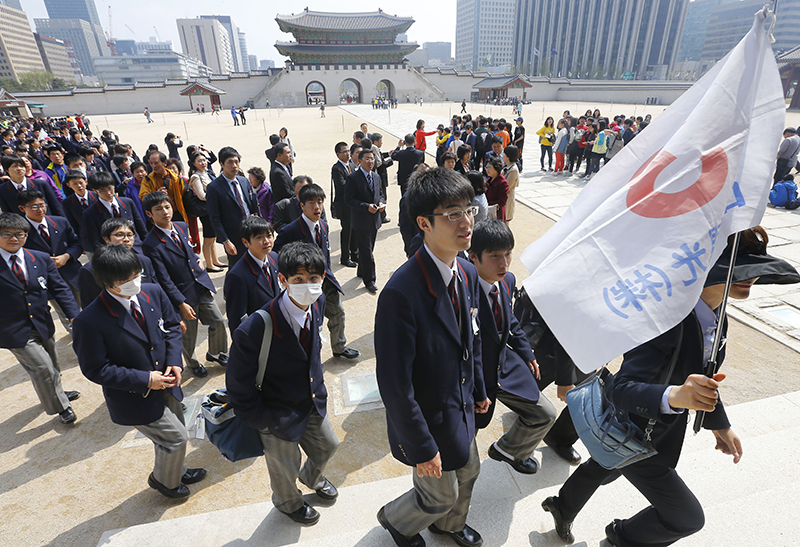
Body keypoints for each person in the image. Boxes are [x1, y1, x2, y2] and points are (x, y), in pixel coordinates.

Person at [543, 227, 799, 547]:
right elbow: (621, 388)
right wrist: (673, 395)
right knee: (686, 518)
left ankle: (561, 505)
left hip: (653, 432)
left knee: (605, 465)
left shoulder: (718, 317)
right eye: (740, 267)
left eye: (753, 268)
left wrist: (720, 426)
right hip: (642, 437)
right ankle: (622, 536)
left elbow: (703, 378)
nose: (750, 277)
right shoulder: (665, 319)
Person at [375, 168, 488, 547]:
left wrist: (480, 389)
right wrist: (422, 448)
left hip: (461, 407)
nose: (467, 222)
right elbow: (394, 384)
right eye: (452, 213)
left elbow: (471, 341)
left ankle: (449, 527)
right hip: (428, 419)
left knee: (470, 471)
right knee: (439, 495)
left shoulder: (468, 272)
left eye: (468, 210)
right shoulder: (401, 293)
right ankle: (396, 520)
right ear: (423, 222)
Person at [73, 244, 207, 499]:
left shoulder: (152, 292)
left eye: (136, 275)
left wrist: (174, 361)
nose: (133, 283)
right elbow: (95, 368)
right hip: (134, 395)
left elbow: (170, 328)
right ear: (105, 282)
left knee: (173, 433)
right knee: (176, 439)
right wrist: (146, 379)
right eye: (124, 281)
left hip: (169, 381)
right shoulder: (89, 321)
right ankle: (165, 482)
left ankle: (177, 469)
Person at [227, 241, 340, 525]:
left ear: (323, 278)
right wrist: (263, 421)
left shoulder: (318, 303)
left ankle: (312, 477)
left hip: (311, 400)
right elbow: (238, 386)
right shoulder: (254, 328)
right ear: (282, 280)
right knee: (283, 466)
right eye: (298, 280)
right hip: (274, 411)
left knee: (329, 444)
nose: (307, 286)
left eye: (314, 279)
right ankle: (287, 502)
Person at [469, 219, 556, 475]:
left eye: (508, 254)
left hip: (504, 366)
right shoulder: (462, 290)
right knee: (465, 446)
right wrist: (476, 388)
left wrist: (527, 352)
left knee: (545, 414)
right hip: (474, 378)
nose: (504, 263)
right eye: (495, 256)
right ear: (473, 256)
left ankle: (509, 450)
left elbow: (512, 320)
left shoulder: (507, 281)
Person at [0, 212, 80, 425]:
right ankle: (61, 407)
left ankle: (57, 391)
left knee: (52, 363)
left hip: (42, 322)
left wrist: (74, 315)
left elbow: (60, 288)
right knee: (42, 367)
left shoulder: (40, 258)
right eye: (6, 234)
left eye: (20, 234)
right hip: (12, 329)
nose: (13, 238)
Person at [142, 192, 228, 378]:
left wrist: (198, 260)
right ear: (149, 214)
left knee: (219, 321)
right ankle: (192, 363)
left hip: (200, 285)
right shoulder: (151, 243)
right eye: (158, 209)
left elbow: (190, 252)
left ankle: (215, 353)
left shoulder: (181, 226)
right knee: (189, 335)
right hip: (181, 294)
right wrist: (180, 303)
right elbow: (163, 279)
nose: (165, 212)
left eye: (167, 206)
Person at [274, 183, 359, 359]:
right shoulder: (291, 230)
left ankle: (339, 347)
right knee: (311, 321)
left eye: (320, 202)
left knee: (338, 312)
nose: (317, 207)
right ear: (302, 206)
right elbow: (276, 254)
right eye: (311, 202)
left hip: (324, 279)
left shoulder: (323, 226)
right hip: (304, 284)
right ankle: (308, 357)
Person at [19, 190, 83, 327]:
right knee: (66, 313)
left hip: (72, 272)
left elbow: (76, 244)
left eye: (42, 205)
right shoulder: (20, 231)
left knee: (85, 305)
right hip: (47, 279)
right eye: (34, 207)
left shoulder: (60, 222)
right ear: (22, 208)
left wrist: (66, 256)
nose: (40, 210)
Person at [78, 218, 158, 309]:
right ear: (106, 239)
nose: (126, 239)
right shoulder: (90, 270)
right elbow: (90, 305)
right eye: (120, 235)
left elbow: (155, 290)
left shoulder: (144, 261)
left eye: (130, 235)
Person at [223, 216, 280, 334]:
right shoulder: (237, 275)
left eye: (269, 235)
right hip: (260, 335)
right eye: (259, 237)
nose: (266, 241)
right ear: (245, 242)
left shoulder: (274, 257)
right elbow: (236, 319)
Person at [206, 146, 258, 267]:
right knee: (238, 267)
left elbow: (250, 204)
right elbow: (215, 218)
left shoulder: (243, 181)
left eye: (236, 162)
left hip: (251, 232)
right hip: (233, 237)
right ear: (221, 164)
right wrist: (226, 241)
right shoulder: (214, 188)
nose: (234, 165)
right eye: (230, 162)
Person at [345, 148, 384, 293]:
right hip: (361, 221)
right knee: (368, 253)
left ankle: (362, 271)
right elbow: (348, 199)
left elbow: (380, 194)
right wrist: (366, 207)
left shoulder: (376, 177)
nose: (370, 161)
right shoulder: (353, 178)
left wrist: (380, 203)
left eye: (372, 159)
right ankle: (370, 280)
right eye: (367, 159)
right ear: (360, 161)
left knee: (368, 249)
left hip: (374, 220)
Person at [84, 172, 147, 251]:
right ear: (95, 191)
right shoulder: (90, 213)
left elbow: (140, 228)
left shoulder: (128, 202)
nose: (108, 193)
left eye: (110, 188)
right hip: (113, 253)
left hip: (136, 248)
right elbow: (95, 241)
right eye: (103, 190)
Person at [188, 153, 225, 272]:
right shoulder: (195, 177)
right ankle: (209, 264)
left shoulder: (206, 173)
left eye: (204, 160)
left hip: (212, 208)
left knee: (212, 237)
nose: (203, 163)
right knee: (208, 238)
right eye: (199, 161)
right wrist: (216, 195)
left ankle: (215, 260)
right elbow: (201, 195)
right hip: (206, 210)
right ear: (194, 163)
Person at [140, 151, 187, 224]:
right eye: (151, 163)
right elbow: (143, 196)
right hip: (159, 215)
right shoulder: (148, 180)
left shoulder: (176, 178)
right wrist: (156, 194)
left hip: (177, 213)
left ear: (164, 163)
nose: (153, 166)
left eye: (156, 163)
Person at [331, 142, 357, 267]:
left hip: (354, 204)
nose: (348, 154)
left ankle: (354, 253)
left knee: (354, 229)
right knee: (346, 230)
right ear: (338, 154)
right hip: (344, 205)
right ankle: (345, 257)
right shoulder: (337, 168)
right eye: (344, 152)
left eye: (348, 151)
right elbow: (341, 187)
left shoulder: (351, 164)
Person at [61, 169, 97, 253]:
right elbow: (73, 224)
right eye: (75, 184)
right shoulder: (67, 203)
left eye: (81, 182)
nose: (79, 186)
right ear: (68, 185)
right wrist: (80, 243)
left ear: (86, 181)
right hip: (87, 240)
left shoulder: (97, 196)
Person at [484, 156, 509, 222]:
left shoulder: (503, 183)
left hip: (497, 214)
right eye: (486, 167)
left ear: (496, 167)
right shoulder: (488, 181)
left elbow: (502, 201)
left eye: (489, 167)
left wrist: (486, 204)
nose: (487, 170)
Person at [502, 146, 520, 222]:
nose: (503, 155)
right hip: (503, 198)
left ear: (508, 156)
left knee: (505, 221)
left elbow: (507, 187)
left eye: (504, 154)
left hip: (507, 198)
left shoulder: (513, 170)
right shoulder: (507, 166)